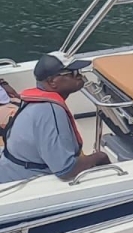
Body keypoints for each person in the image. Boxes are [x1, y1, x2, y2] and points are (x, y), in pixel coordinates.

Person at [0, 52, 112, 183]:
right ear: (52, 81)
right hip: (22, 181)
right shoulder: (50, 111)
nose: (80, 75)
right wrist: (99, 157)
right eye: (73, 73)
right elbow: (66, 169)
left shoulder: (36, 103)